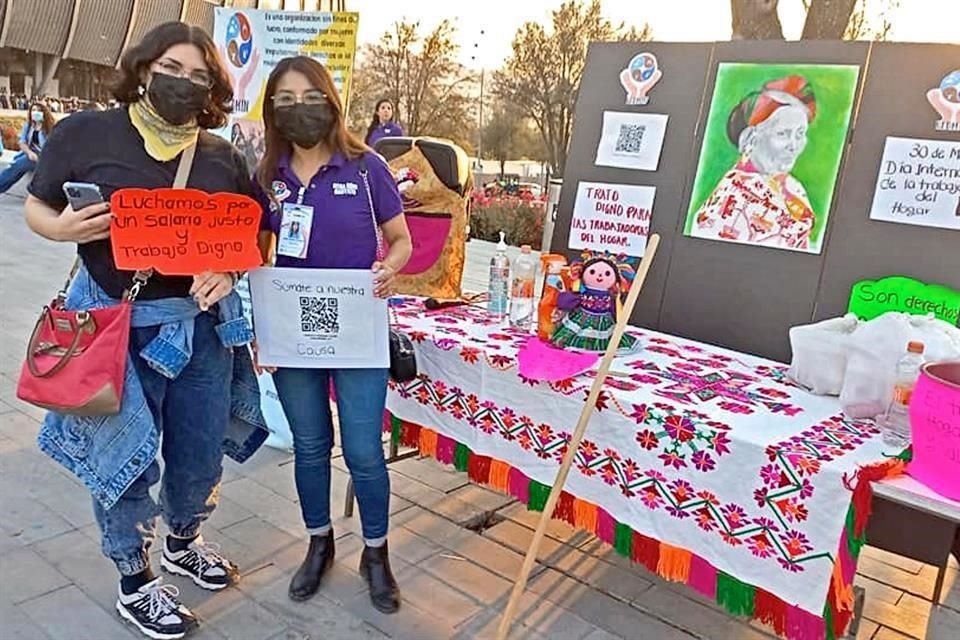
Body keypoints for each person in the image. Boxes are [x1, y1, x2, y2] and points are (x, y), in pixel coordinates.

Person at [24, 22, 267, 640]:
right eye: (171, 67)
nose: (184, 83)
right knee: (124, 458)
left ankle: (184, 539)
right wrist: (62, 232)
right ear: (142, 66)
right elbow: (38, 203)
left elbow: (252, 230)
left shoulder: (220, 155)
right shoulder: (86, 134)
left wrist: (230, 266)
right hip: (118, 323)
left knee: (200, 449)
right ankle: (135, 579)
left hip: (203, 331)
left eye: (198, 75)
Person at [252, 56, 412, 613]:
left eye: (311, 96)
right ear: (272, 109)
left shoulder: (367, 168)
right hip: (295, 334)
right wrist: (261, 327)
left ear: (332, 101)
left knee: (365, 451)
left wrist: (390, 267)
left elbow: (401, 240)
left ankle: (376, 553)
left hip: (356, 331)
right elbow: (257, 251)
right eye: (286, 99)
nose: (300, 109)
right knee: (311, 445)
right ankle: (319, 542)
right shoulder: (267, 175)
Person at [692, 75, 817, 250]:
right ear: (750, 138)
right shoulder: (731, 198)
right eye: (782, 134)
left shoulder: (792, 186)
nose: (794, 146)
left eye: (800, 134)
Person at [0, 101, 53, 195]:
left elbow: (53, 147)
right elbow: (22, 143)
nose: (36, 112)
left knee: (19, 165)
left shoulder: (49, 127)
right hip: (31, 154)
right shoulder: (28, 125)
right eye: (33, 110)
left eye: (39, 110)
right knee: (15, 165)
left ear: (44, 112)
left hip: (45, 158)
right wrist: (29, 152)